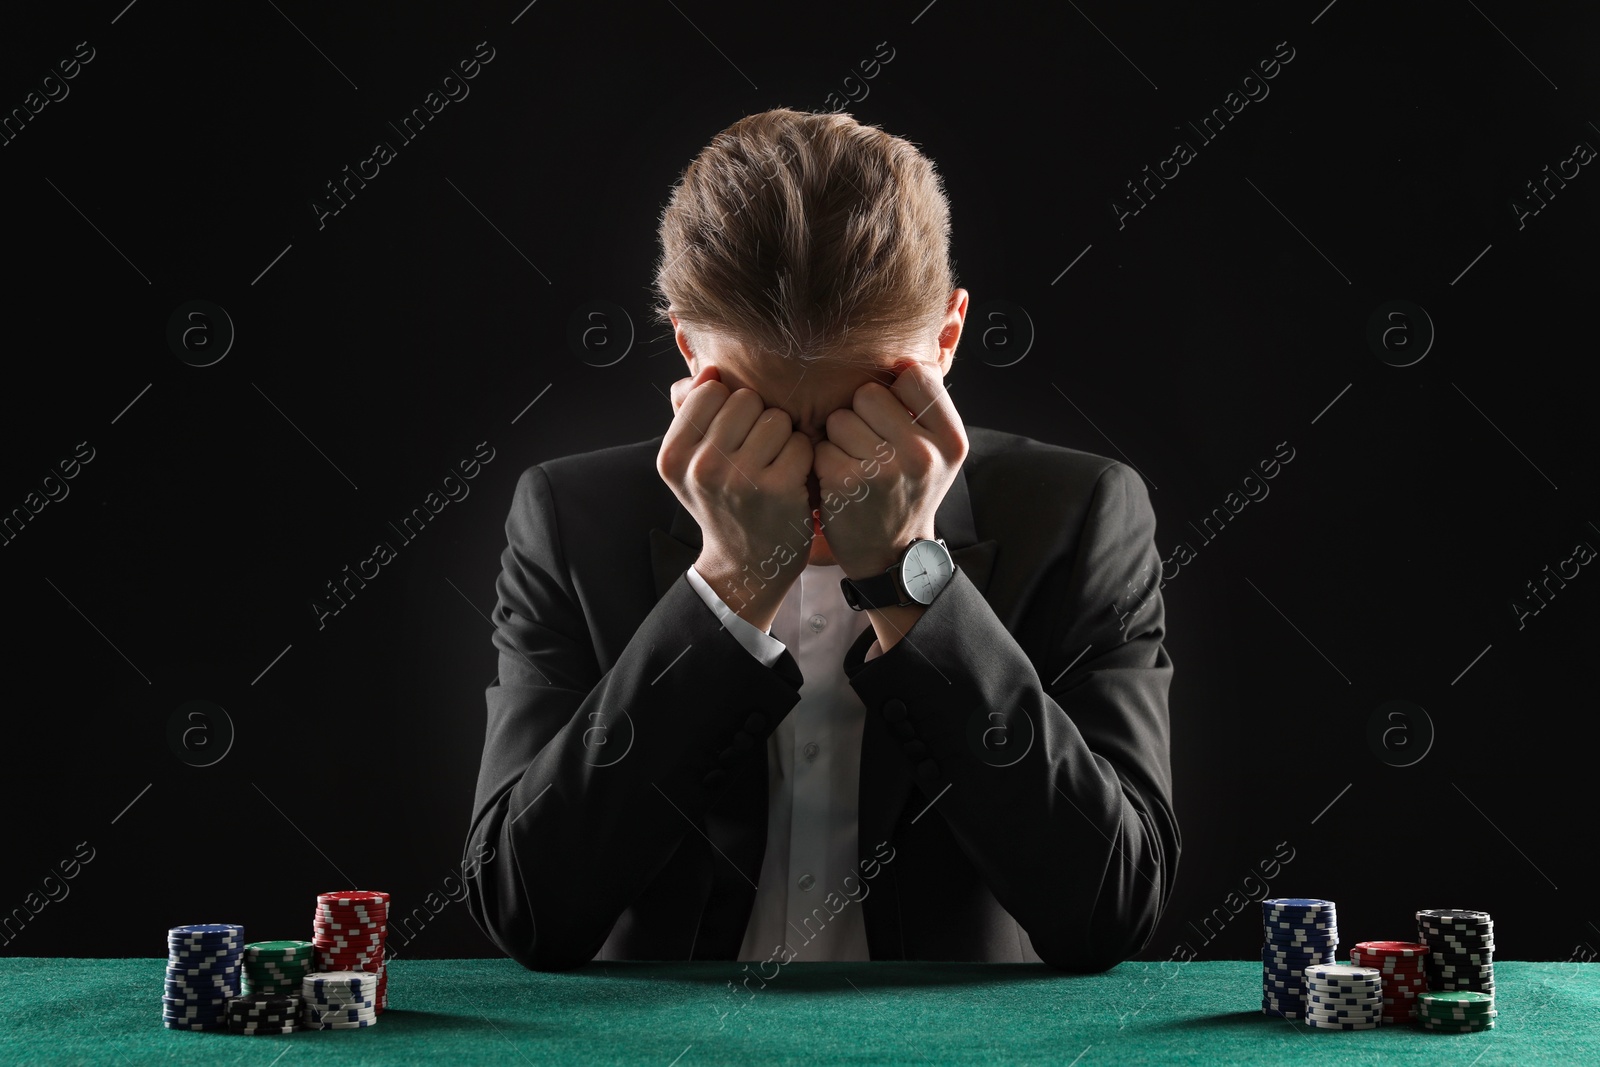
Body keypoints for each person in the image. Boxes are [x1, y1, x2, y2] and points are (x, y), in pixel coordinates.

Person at [464, 107, 1177, 973]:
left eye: (857, 418)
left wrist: (909, 580)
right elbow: (526, 909)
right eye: (762, 417)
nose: (812, 472)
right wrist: (725, 587)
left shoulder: (1083, 514)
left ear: (945, 341)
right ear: (691, 352)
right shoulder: (570, 519)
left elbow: (1110, 909)